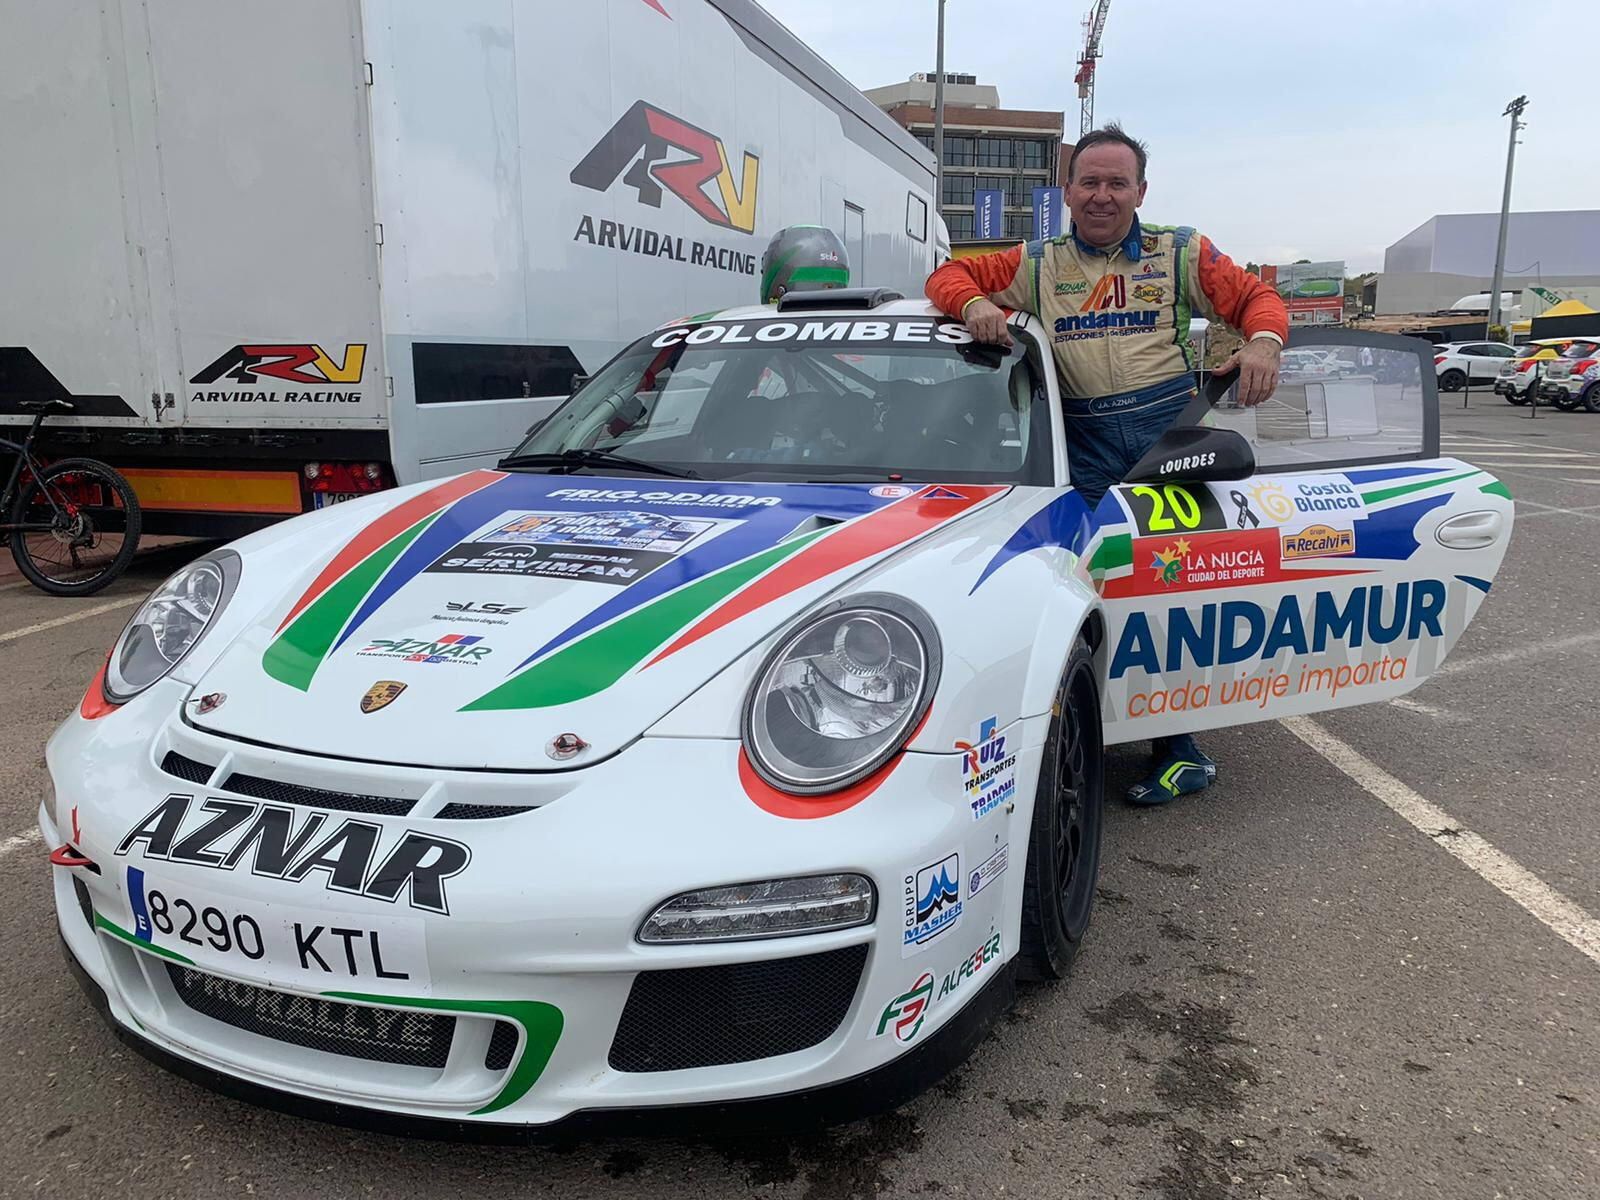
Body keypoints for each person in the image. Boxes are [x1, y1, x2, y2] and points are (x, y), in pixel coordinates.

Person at [925, 123, 1289, 807]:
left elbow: (1255, 298)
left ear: (1140, 190)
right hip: (1084, 444)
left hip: (1174, 440)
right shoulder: (1036, 262)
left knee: (1180, 593)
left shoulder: (1180, 251)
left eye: (1116, 182)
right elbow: (947, 274)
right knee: (1090, 591)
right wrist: (973, 302)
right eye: (1088, 181)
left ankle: (1182, 750)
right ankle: (1079, 728)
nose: (1101, 195)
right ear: (1067, 189)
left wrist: (1264, 340)